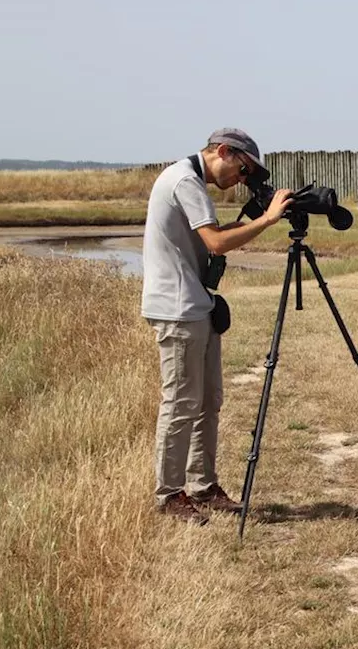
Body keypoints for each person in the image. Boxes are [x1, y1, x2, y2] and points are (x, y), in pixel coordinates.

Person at [141, 128, 293, 525]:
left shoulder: (191, 181)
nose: (241, 181)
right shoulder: (184, 180)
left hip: (196, 305)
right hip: (178, 310)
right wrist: (269, 219)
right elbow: (216, 244)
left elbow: (214, 236)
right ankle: (169, 494)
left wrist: (261, 218)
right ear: (223, 151)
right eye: (242, 170)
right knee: (180, 403)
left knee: (208, 402)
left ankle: (202, 486)